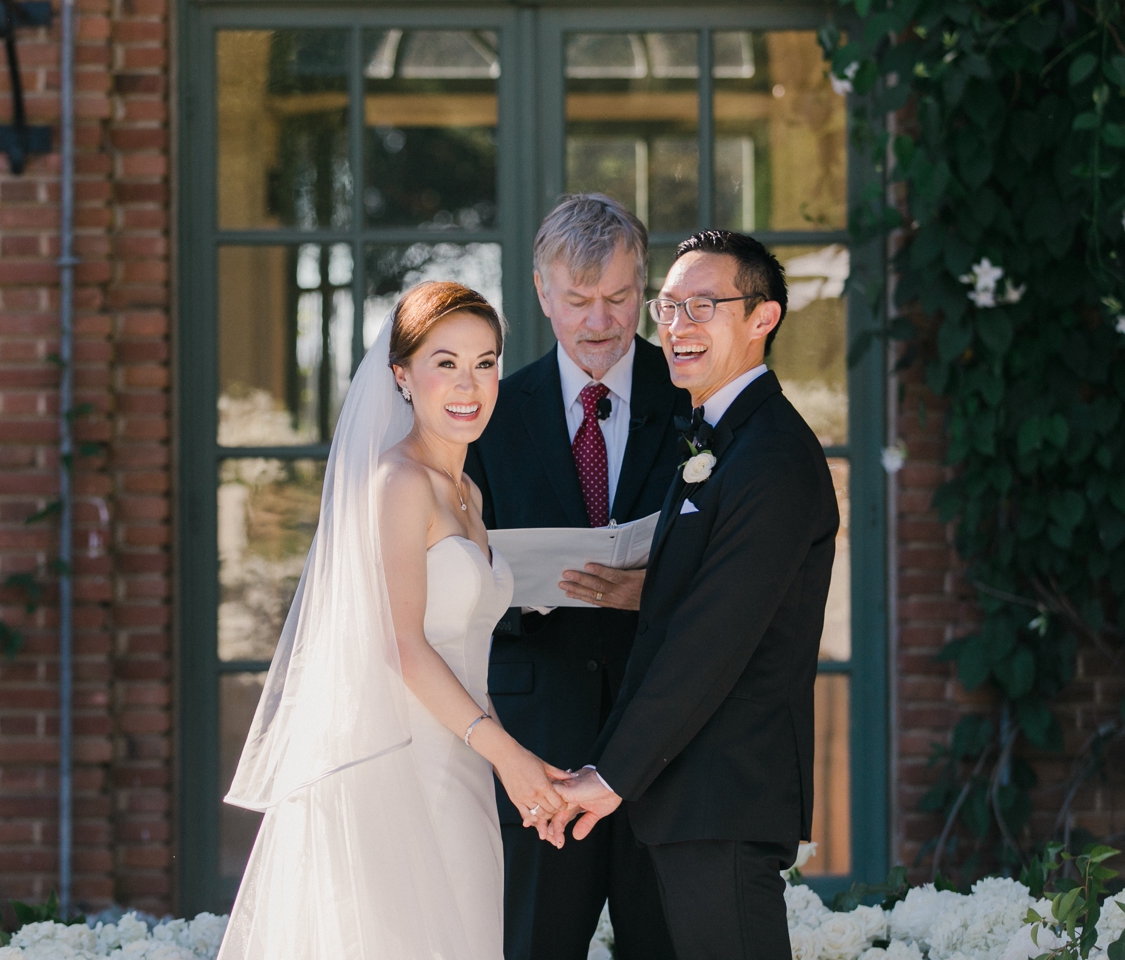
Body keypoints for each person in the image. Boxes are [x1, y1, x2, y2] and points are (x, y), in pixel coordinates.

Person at [218, 282, 567, 960]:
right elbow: (402, 646)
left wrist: (515, 777)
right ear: (401, 375)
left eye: (486, 362)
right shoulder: (397, 481)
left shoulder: (467, 490)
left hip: (460, 759)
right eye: (446, 363)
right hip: (400, 766)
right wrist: (511, 758)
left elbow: (460, 636)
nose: (470, 384)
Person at [553, 231, 841, 960]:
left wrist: (610, 774)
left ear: (762, 318)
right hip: (685, 797)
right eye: (668, 306)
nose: (676, 327)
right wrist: (640, 594)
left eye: (702, 306)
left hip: (725, 797)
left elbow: (712, 640)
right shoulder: (717, 437)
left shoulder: (771, 455)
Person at [465, 195, 682, 960]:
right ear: (540, 293)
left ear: (645, 290)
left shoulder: (690, 401)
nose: (601, 322)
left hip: (664, 740)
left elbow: (734, 569)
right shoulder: (490, 411)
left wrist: (648, 589)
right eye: (580, 301)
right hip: (539, 747)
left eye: (621, 299)